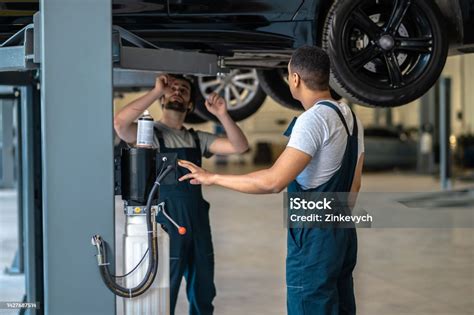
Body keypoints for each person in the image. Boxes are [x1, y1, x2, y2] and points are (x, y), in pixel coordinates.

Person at [179, 46, 365, 315]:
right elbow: (354, 187)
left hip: (314, 237)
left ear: (296, 79)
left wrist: (213, 177)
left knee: (309, 304)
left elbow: (273, 181)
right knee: (341, 305)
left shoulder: (313, 120)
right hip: (342, 231)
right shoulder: (351, 118)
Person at [114, 74, 249, 315]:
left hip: (198, 225)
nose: (177, 90)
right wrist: (156, 90)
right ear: (163, 99)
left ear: (189, 104)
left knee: (204, 291)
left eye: (184, 89)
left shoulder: (197, 139)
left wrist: (221, 114)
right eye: (172, 88)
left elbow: (239, 146)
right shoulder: (149, 135)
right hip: (167, 223)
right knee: (166, 290)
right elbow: (120, 124)